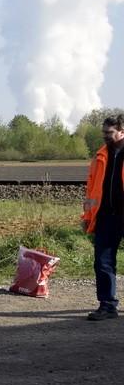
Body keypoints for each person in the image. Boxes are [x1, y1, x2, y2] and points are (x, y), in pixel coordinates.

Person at [82, 114, 124, 321]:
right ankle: (107, 306)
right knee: (102, 262)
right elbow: (91, 190)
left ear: (121, 132)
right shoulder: (100, 157)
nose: (104, 136)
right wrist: (87, 216)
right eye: (103, 132)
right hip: (106, 217)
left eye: (109, 132)